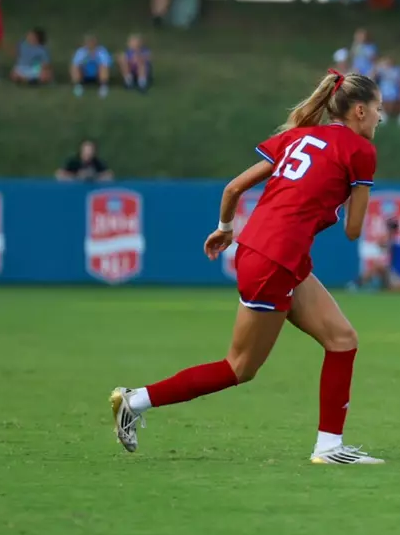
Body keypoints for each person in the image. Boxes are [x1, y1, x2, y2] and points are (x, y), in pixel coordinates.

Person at [110, 70, 385, 465]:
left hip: (268, 251)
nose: (379, 118)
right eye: (378, 110)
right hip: (277, 259)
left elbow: (233, 188)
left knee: (343, 339)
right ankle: (134, 402)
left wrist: (224, 229)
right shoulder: (360, 151)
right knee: (239, 367)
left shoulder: (296, 136)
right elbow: (354, 231)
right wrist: (358, 189)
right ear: (359, 111)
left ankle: (330, 447)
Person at [376, 54, 400, 125]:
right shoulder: (380, 70)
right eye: (386, 61)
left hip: (395, 93)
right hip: (383, 93)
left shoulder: (397, 70)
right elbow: (371, 77)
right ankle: (382, 115)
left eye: (390, 61)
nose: (388, 62)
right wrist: (378, 65)